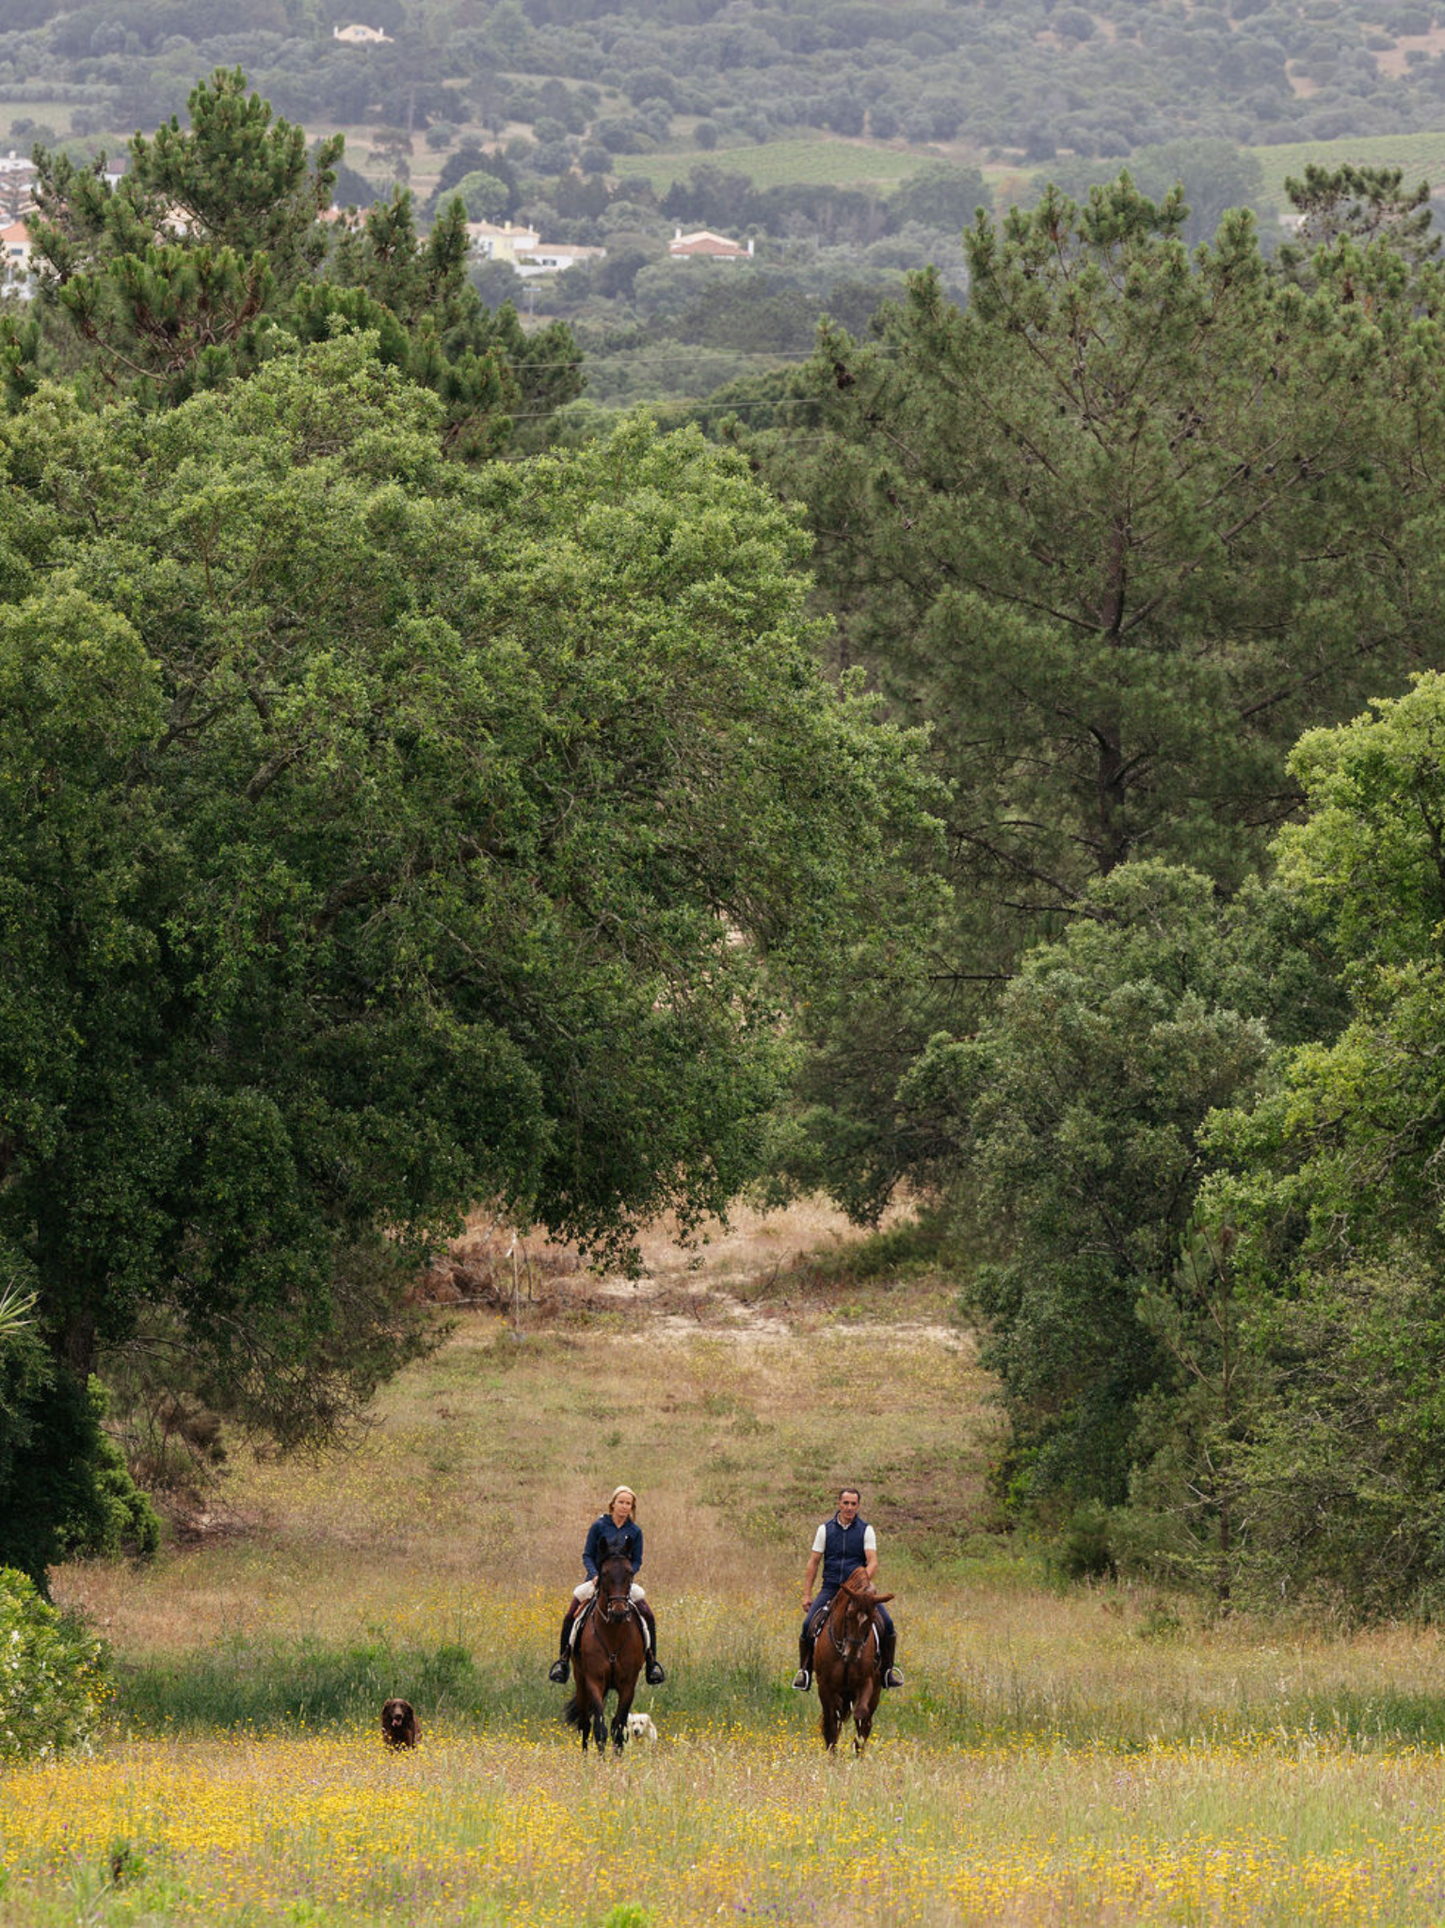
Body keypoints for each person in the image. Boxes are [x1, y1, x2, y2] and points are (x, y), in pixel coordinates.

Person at [548, 1484, 666, 1686]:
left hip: (622, 1586)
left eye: (628, 1503)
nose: (624, 1506)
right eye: (621, 1502)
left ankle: (651, 1663)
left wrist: (627, 1577)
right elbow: (587, 1554)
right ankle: (564, 1660)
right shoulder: (599, 1526)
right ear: (613, 1504)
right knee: (571, 1614)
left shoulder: (635, 1531)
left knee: (648, 1614)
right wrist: (594, 1575)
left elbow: (637, 1560)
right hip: (596, 1581)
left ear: (632, 1507)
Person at [792, 1484, 903, 1692]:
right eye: (846, 1503)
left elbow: (873, 1562)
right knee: (808, 1625)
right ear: (839, 1504)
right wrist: (807, 1594)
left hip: (859, 1592)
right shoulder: (824, 1530)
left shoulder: (866, 1530)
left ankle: (888, 1671)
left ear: (858, 1505)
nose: (849, 1507)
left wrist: (861, 1584)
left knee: (887, 1623)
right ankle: (805, 1672)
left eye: (853, 1503)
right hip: (832, 1587)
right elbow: (813, 1562)